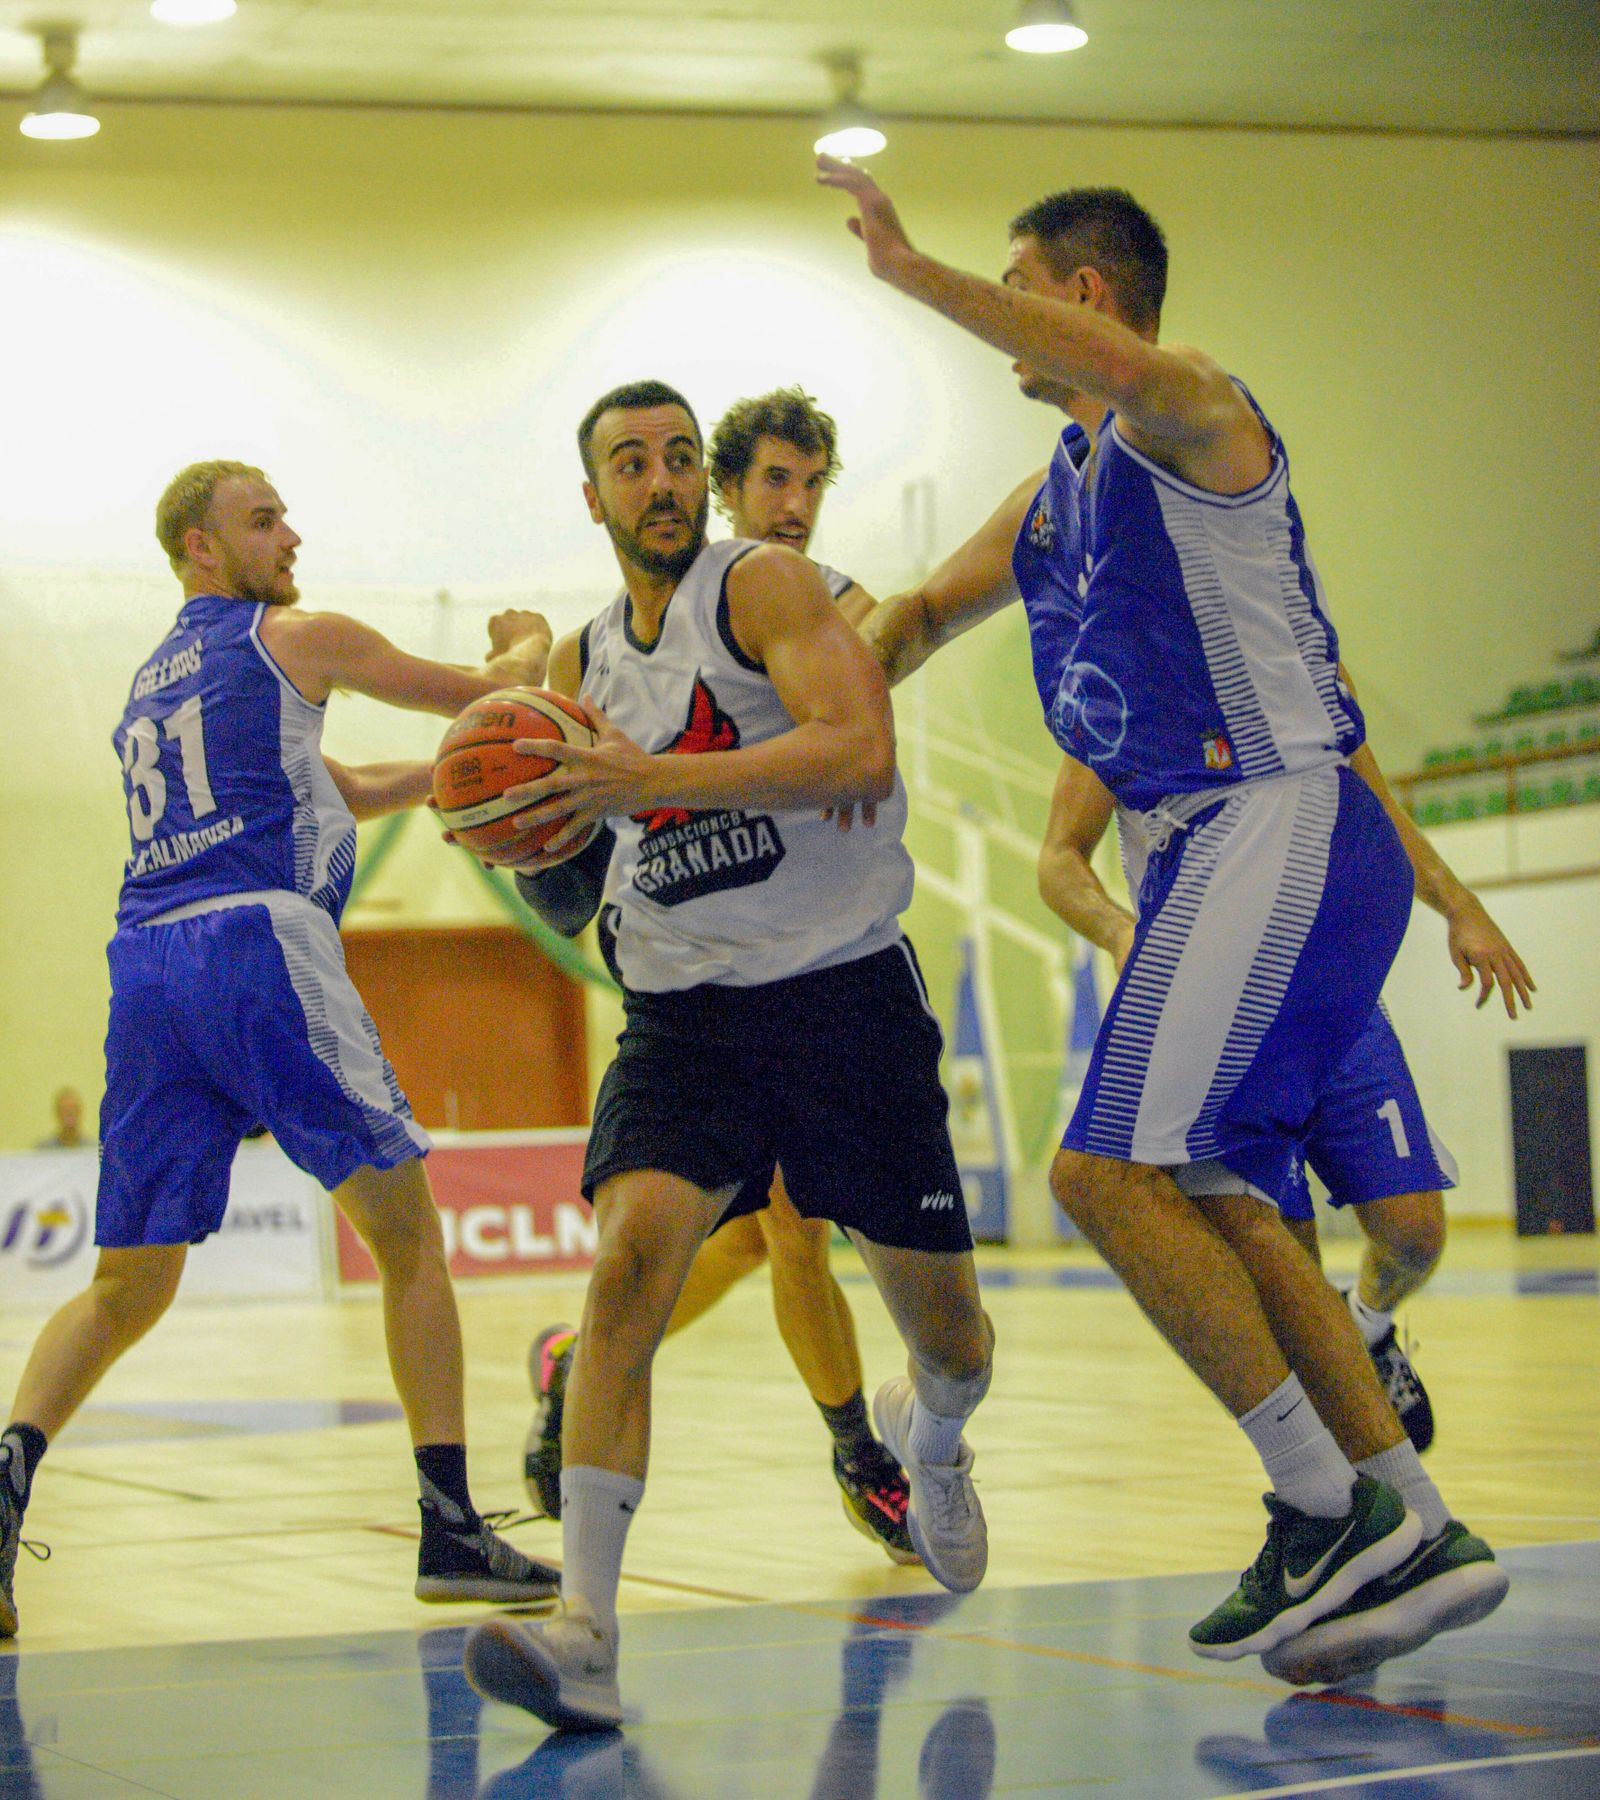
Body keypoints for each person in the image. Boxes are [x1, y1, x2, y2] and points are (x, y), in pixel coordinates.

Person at [818, 158, 1509, 1685]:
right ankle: (1411, 1517)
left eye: (1016, 293)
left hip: (1275, 818)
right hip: (1215, 853)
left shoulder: (1193, 406)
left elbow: (1122, 370)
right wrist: (792, 707)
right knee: (1222, 1194)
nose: (1000, 331)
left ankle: (1322, 1510)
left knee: (1102, 1172)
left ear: (1080, 296)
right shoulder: (1049, 497)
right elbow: (916, 618)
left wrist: (906, 269)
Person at [462, 380, 994, 1733]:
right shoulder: (583, 666)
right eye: (631, 462)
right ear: (593, 498)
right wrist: (503, 800)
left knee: (954, 1339)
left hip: (837, 996)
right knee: (627, 1271)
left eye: (680, 458)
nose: (662, 480)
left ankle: (928, 1434)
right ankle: (584, 1628)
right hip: (685, 1014)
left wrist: (654, 786)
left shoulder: (762, 587)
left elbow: (858, 743)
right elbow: (559, 818)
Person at [0, 459, 560, 1640]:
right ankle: (451, 1525)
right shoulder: (298, 637)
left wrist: (440, 793)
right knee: (408, 1233)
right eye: (263, 520)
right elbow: (476, 699)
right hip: (258, 944)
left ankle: (4, 1477)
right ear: (202, 548)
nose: (290, 533)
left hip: (147, 965)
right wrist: (527, 649)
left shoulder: (153, 687)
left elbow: (332, 783)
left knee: (127, 1283)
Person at [522, 387, 917, 1567]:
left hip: (822, 957)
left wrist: (845, 709)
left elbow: (891, 643)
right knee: (773, 1237)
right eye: (770, 485)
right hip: (700, 977)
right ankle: (858, 1451)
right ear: (719, 496)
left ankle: (572, 1362)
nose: (790, 508)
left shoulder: (811, 595)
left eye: (810, 487)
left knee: (747, 1242)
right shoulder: (643, 621)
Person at [1036, 743, 1534, 1455]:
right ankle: (1350, 1498)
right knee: (1280, 1266)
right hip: (1223, 1005)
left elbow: (1376, 807)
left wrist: (1460, 905)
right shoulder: (1114, 681)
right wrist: (1122, 930)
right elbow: (1058, 857)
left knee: (1414, 1232)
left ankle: (1366, 1327)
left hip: (1332, 985)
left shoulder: (1297, 659)